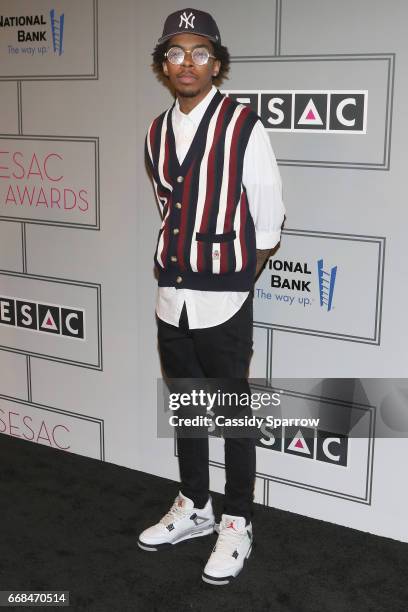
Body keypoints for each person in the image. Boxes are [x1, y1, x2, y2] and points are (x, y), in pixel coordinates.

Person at [138, 8, 285, 585]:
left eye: (200, 52)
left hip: (223, 299)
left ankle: (238, 520)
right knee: (187, 407)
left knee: (233, 413)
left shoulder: (243, 126)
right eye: (176, 52)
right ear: (163, 65)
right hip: (171, 298)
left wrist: (232, 276)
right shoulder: (154, 132)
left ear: (216, 64)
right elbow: (170, 212)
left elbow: (268, 222)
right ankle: (195, 506)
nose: (187, 63)